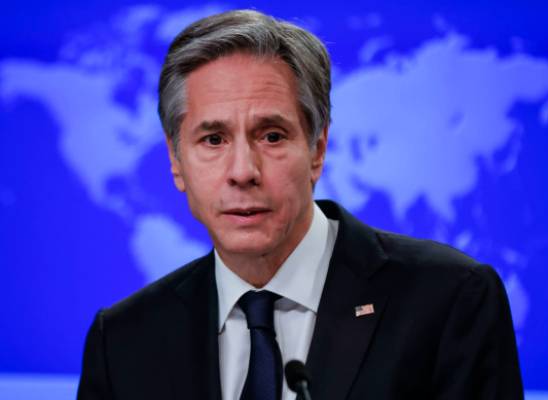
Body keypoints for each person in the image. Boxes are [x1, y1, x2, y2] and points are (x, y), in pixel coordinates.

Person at [77, 9, 523, 400]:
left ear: (317, 149)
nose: (243, 171)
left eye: (271, 136)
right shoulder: (123, 342)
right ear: (176, 162)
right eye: (213, 140)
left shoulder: (449, 300)